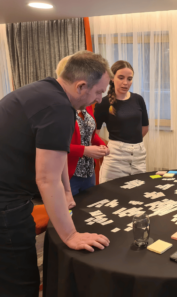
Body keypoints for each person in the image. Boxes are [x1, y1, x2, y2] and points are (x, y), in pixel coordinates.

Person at [0, 51, 113, 297]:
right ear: (81, 86)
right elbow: (46, 178)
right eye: (98, 92)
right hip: (7, 202)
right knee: (20, 282)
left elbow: (56, 155)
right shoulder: (59, 107)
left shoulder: (46, 90)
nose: (100, 99)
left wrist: (66, 190)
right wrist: (71, 235)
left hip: (9, 194)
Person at [55, 56, 110, 196]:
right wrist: (84, 151)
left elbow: (89, 133)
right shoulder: (59, 108)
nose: (98, 99)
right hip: (69, 174)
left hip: (88, 171)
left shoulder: (86, 103)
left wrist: (101, 145)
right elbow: (57, 146)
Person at [94, 60, 149, 183]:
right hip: (115, 158)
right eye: (121, 78)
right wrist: (113, 146)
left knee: (137, 194)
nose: (125, 83)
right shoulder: (103, 103)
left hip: (138, 156)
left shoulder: (138, 99)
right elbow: (94, 133)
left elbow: (145, 127)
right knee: (110, 194)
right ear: (112, 78)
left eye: (129, 79)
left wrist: (131, 144)